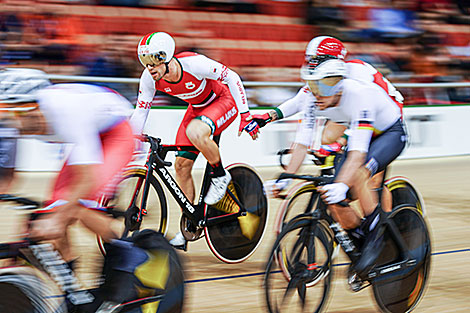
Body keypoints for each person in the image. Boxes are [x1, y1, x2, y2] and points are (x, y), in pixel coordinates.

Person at [130, 32, 260, 249]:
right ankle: (190, 224)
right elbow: (141, 112)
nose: (149, 67)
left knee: (195, 132)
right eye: (144, 61)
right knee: (181, 166)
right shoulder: (148, 78)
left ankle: (220, 176)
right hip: (197, 108)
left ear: (167, 56)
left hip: (222, 101)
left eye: (154, 61)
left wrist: (246, 115)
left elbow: (232, 77)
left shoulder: (194, 64)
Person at [251, 36, 404, 203]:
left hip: (383, 116)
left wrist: (343, 141)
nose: (311, 63)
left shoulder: (355, 73)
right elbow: (299, 101)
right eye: (309, 59)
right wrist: (269, 116)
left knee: (370, 179)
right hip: (352, 114)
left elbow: (364, 114)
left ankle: (382, 218)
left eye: (315, 59)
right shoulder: (325, 78)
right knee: (326, 138)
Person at [303, 58, 406, 279]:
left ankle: (377, 233)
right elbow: (309, 134)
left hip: (389, 132)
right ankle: (359, 239)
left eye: (318, 87)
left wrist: (341, 180)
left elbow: (357, 152)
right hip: (363, 131)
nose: (314, 93)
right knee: (335, 201)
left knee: (361, 175)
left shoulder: (358, 90)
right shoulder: (323, 98)